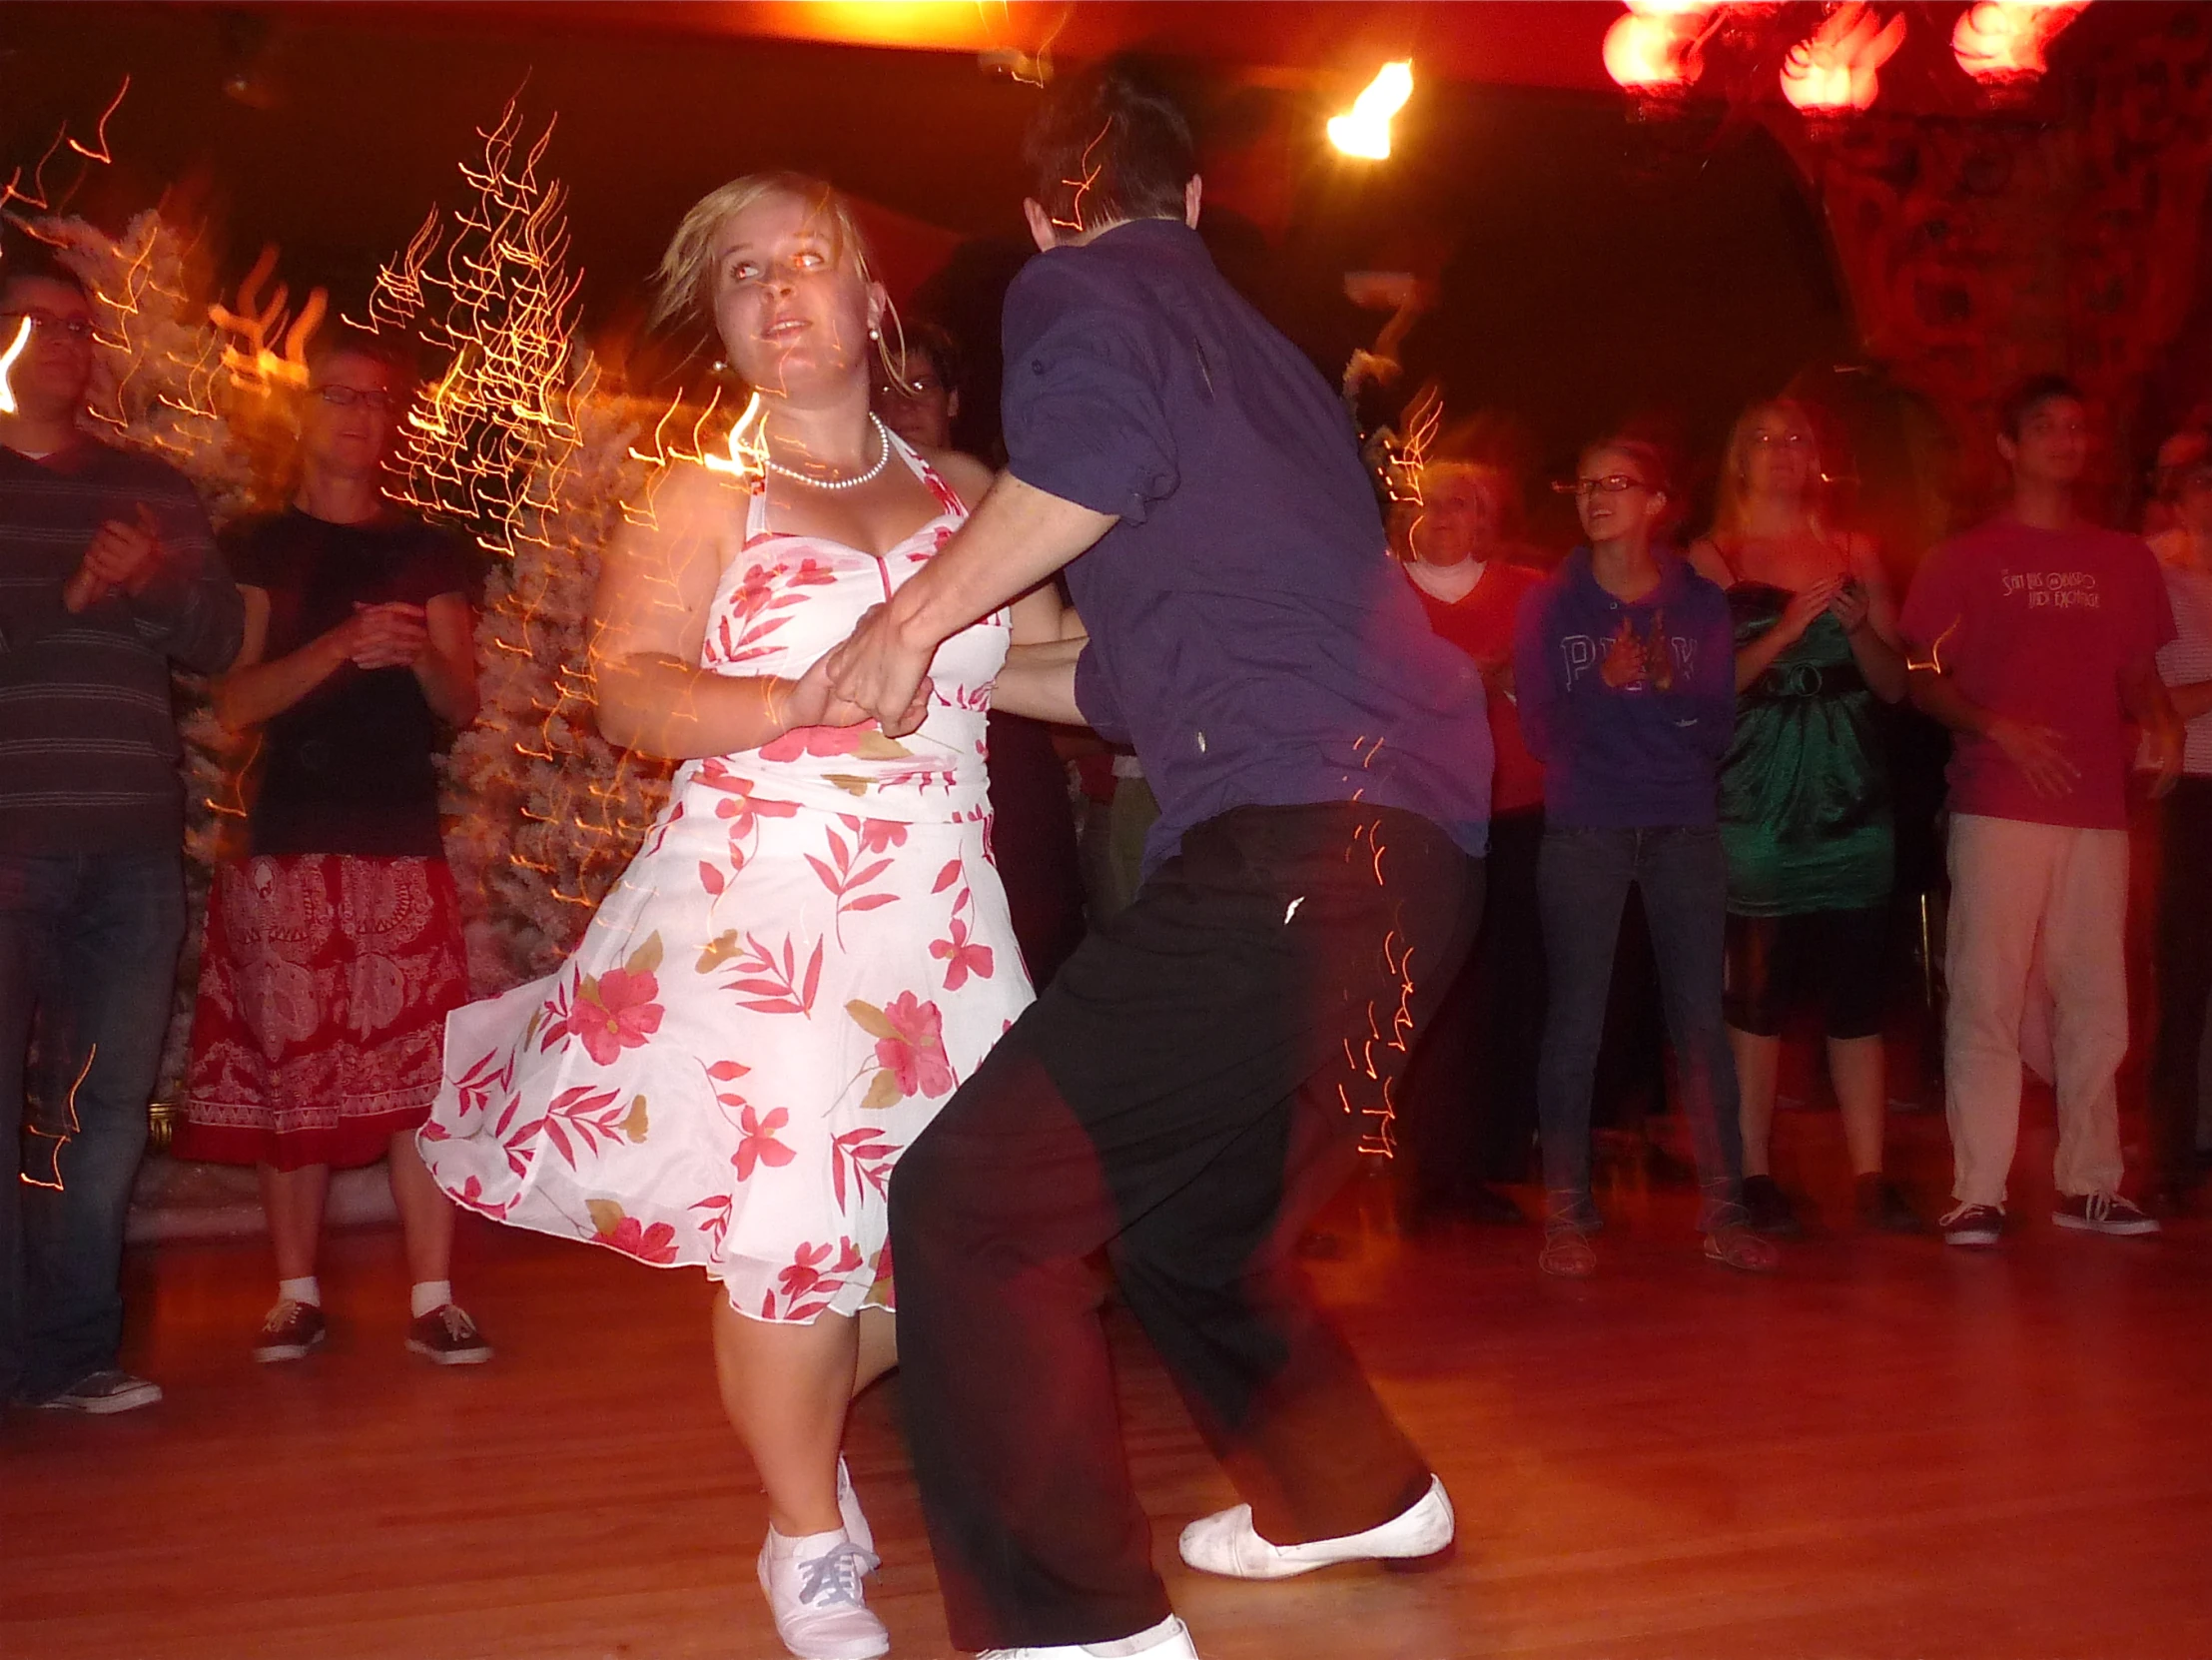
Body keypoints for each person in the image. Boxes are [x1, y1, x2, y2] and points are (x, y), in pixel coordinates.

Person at [827, 65, 1491, 1660]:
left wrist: (900, 619)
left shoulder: (1074, 288)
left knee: (974, 1206)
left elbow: (1084, 471)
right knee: (1195, 1229)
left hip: (1297, 845)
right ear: (1192, 202)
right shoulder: (1265, 370)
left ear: (1051, 208)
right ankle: (1351, 1491)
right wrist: (947, 672)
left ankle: (1075, 1629)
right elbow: (1126, 679)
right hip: (1417, 862)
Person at [416, 174, 1073, 1660]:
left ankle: (801, 1438)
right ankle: (803, 1533)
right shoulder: (707, 494)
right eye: (737, 276)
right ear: (714, 318)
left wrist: (1227, 660)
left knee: (954, 1239)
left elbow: (1037, 669)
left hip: (942, 920)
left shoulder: (968, 491)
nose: (776, 294)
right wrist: (792, 697)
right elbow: (631, 686)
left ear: (870, 296)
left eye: (806, 262)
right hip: (763, 914)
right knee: (792, 1237)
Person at [171, 339, 489, 1366]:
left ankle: (433, 1297)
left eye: (376, 400)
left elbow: (461, 700)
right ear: (301, 413)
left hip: (400, 841)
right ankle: (296, 1294)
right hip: (289, 839)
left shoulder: (425, 551)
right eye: (338, 396)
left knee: (421, 1077)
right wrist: (340, 650)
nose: (359, 414)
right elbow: (233, 705)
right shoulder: (258, 546)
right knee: (289, 1073)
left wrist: (424, 658)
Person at [0, 253, 245, 1413]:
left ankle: (74, 1354)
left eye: (79, 324)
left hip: (132, 851)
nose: (66, 342)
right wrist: (71, 605)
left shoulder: (152, 489)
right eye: (37, 322)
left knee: (101, 1111)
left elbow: (217, 642)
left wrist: (151, 581)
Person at [1899, 375, 2180, 1247]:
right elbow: (1918, 674)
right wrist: (1994, 725)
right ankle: (1977, 1186)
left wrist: (2162, 721)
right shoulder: (1964, 557)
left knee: (2096, 997)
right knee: (1985, 993)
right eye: (2045, 427)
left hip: (2095, 805)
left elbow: (2137, 670)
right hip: (1997, 804)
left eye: (2076, 426)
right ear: (2008, 447)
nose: (2066, 440)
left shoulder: (2124, 558)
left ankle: (2091, 1182)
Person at [1514, 436, 1779, 1279]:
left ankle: (1725, 1213)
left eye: (1614, 484)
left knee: (1699, 1022)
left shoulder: (1698, 605)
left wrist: (1667, 686)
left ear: (1656, 502)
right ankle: (1565, 1214)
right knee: (1575, 1023)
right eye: (1582, 483)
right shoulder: (1551, 608)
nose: (1593, 498)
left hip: (1680, 827)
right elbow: (1541, 736)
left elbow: (1717, 735)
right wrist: (1602, 683)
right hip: (1586, 828)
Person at [1687, 399, 1918, 1236]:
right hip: (1756, 791)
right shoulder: (1708, 560)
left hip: (1850, 784)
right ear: (1737, 458)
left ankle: (1869, 1174)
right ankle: (1751, 1173)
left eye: (1797, 438)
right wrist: (1785, 629)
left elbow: (1895, 685)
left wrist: (1858, 630)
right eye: (1762, 439)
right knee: (1756, 989)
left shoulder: (1855, 552)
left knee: (1858, 989)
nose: (1782, 452)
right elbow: (1703, 690)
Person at [875, 320, 1087, 988]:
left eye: (922, 385)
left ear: (954, 402)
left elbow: (1047, 638)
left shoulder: (984, 494)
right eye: (888, 386)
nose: (905, 403)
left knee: (1023, 962)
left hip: (1006, 770)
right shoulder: (830, 500)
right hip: (881, 784)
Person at [1395, 459, 1546, 1226]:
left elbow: (1563, 690)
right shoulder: (1382, 589)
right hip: (1422, 811)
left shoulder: (1529, 591)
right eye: (1431, 502)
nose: (1445, 515)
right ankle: (1425, 1164)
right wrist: (1459, 683)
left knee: (1504, 991)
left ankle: (1486, 1161)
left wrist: (1514, 681)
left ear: (1487, 518)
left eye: (1462, 504)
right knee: (1431, 995)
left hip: (1517, 808)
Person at [2141, 427, 2212, 1213]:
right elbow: (2153, 703)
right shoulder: (2154, 570)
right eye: (2199, 483)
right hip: (2183, 786)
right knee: (2180, 975)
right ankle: (2166, 1151)